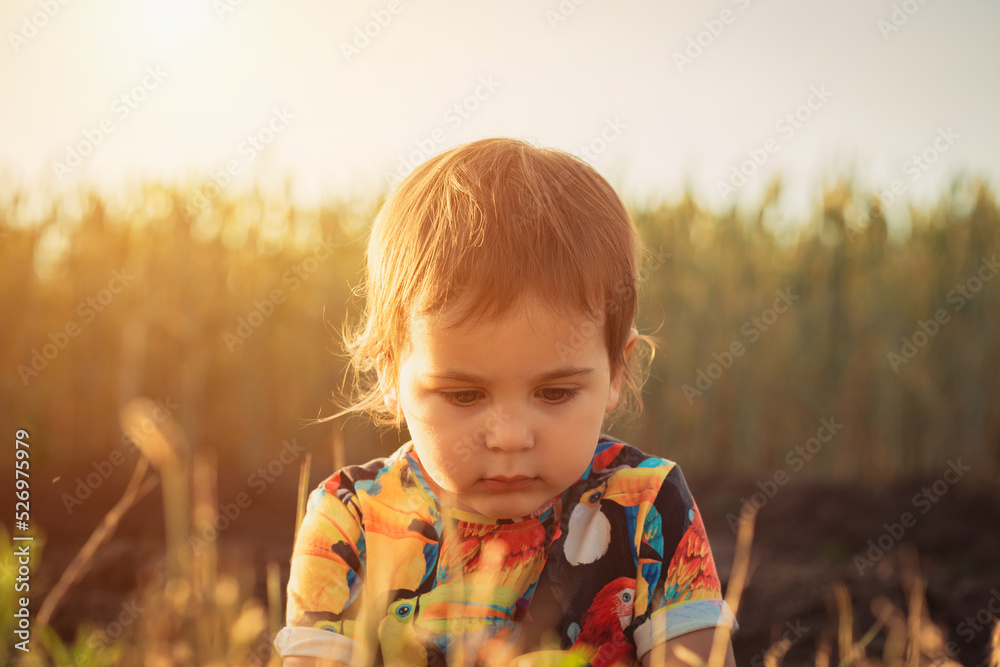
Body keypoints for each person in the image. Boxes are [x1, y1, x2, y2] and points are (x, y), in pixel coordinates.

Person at [275, 138, 738, 666]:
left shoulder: (648, 507)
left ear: (617, 370)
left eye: (555, 392)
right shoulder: (351, 521)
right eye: (465, 394)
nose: (510, 436)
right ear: (388, 371)